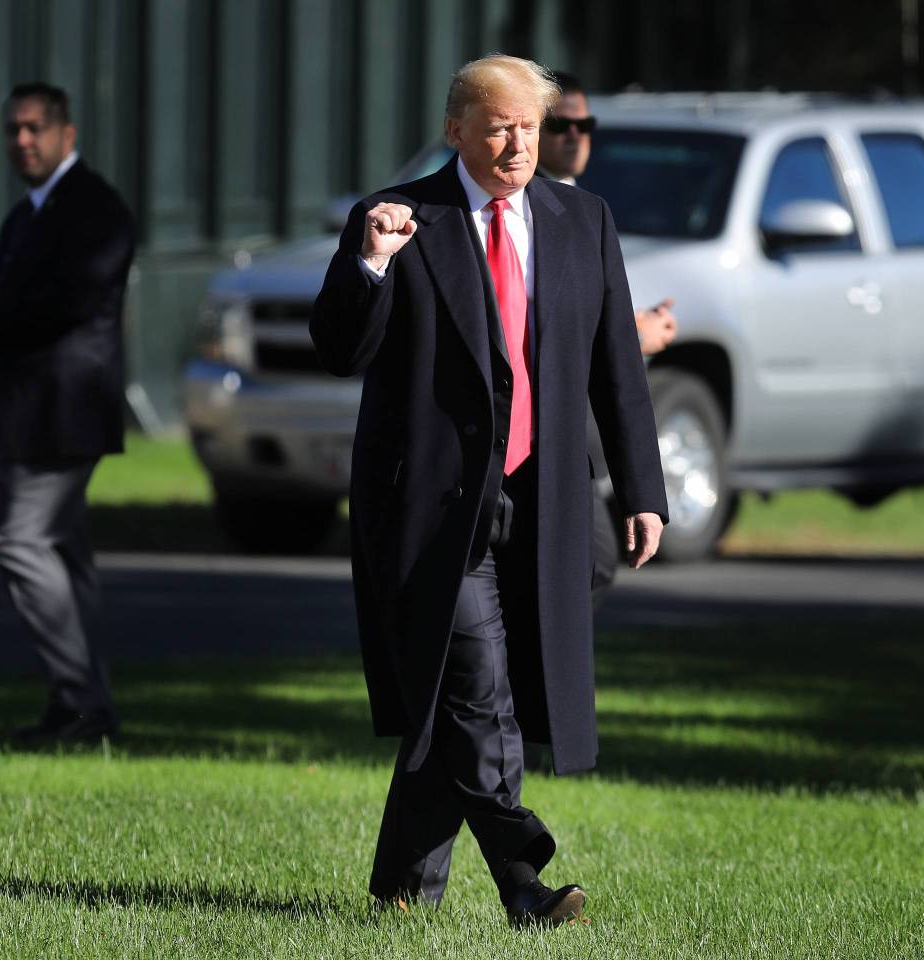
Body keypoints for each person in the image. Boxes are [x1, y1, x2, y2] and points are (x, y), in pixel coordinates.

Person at [311, 54, 668, 927]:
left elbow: (616, 368)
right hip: (432, 506)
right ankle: (525, 883)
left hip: (543, 497)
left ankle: (403, 891)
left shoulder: (582, 219)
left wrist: (641, 490)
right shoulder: (399, 218)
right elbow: (340, 348)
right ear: (456, 129)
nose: (518, 146)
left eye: (531, 129)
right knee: (479, 690)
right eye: (500, 127)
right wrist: (370, 263)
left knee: (456, 694)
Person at [0, 82, 136, 745]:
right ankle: (82, 706)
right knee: (61, 550)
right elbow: (22, 304)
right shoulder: (27, 214)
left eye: (35, 128)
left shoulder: (95, 208)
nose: (22, 140)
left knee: (19, 538)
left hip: (63, 410)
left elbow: (75, 302)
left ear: (66, 134)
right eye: (13, 130)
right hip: (30, 411)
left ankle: (80, 703)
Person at [538, 72, 677, 600]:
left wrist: (628, 332)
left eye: (585, 125)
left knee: (591, 565)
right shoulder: (514, 209)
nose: (574, 136)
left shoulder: (588, 209)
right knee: (588, 563)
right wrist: (632, 336)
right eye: (559, 125)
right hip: (533, 439)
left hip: (575, 446)